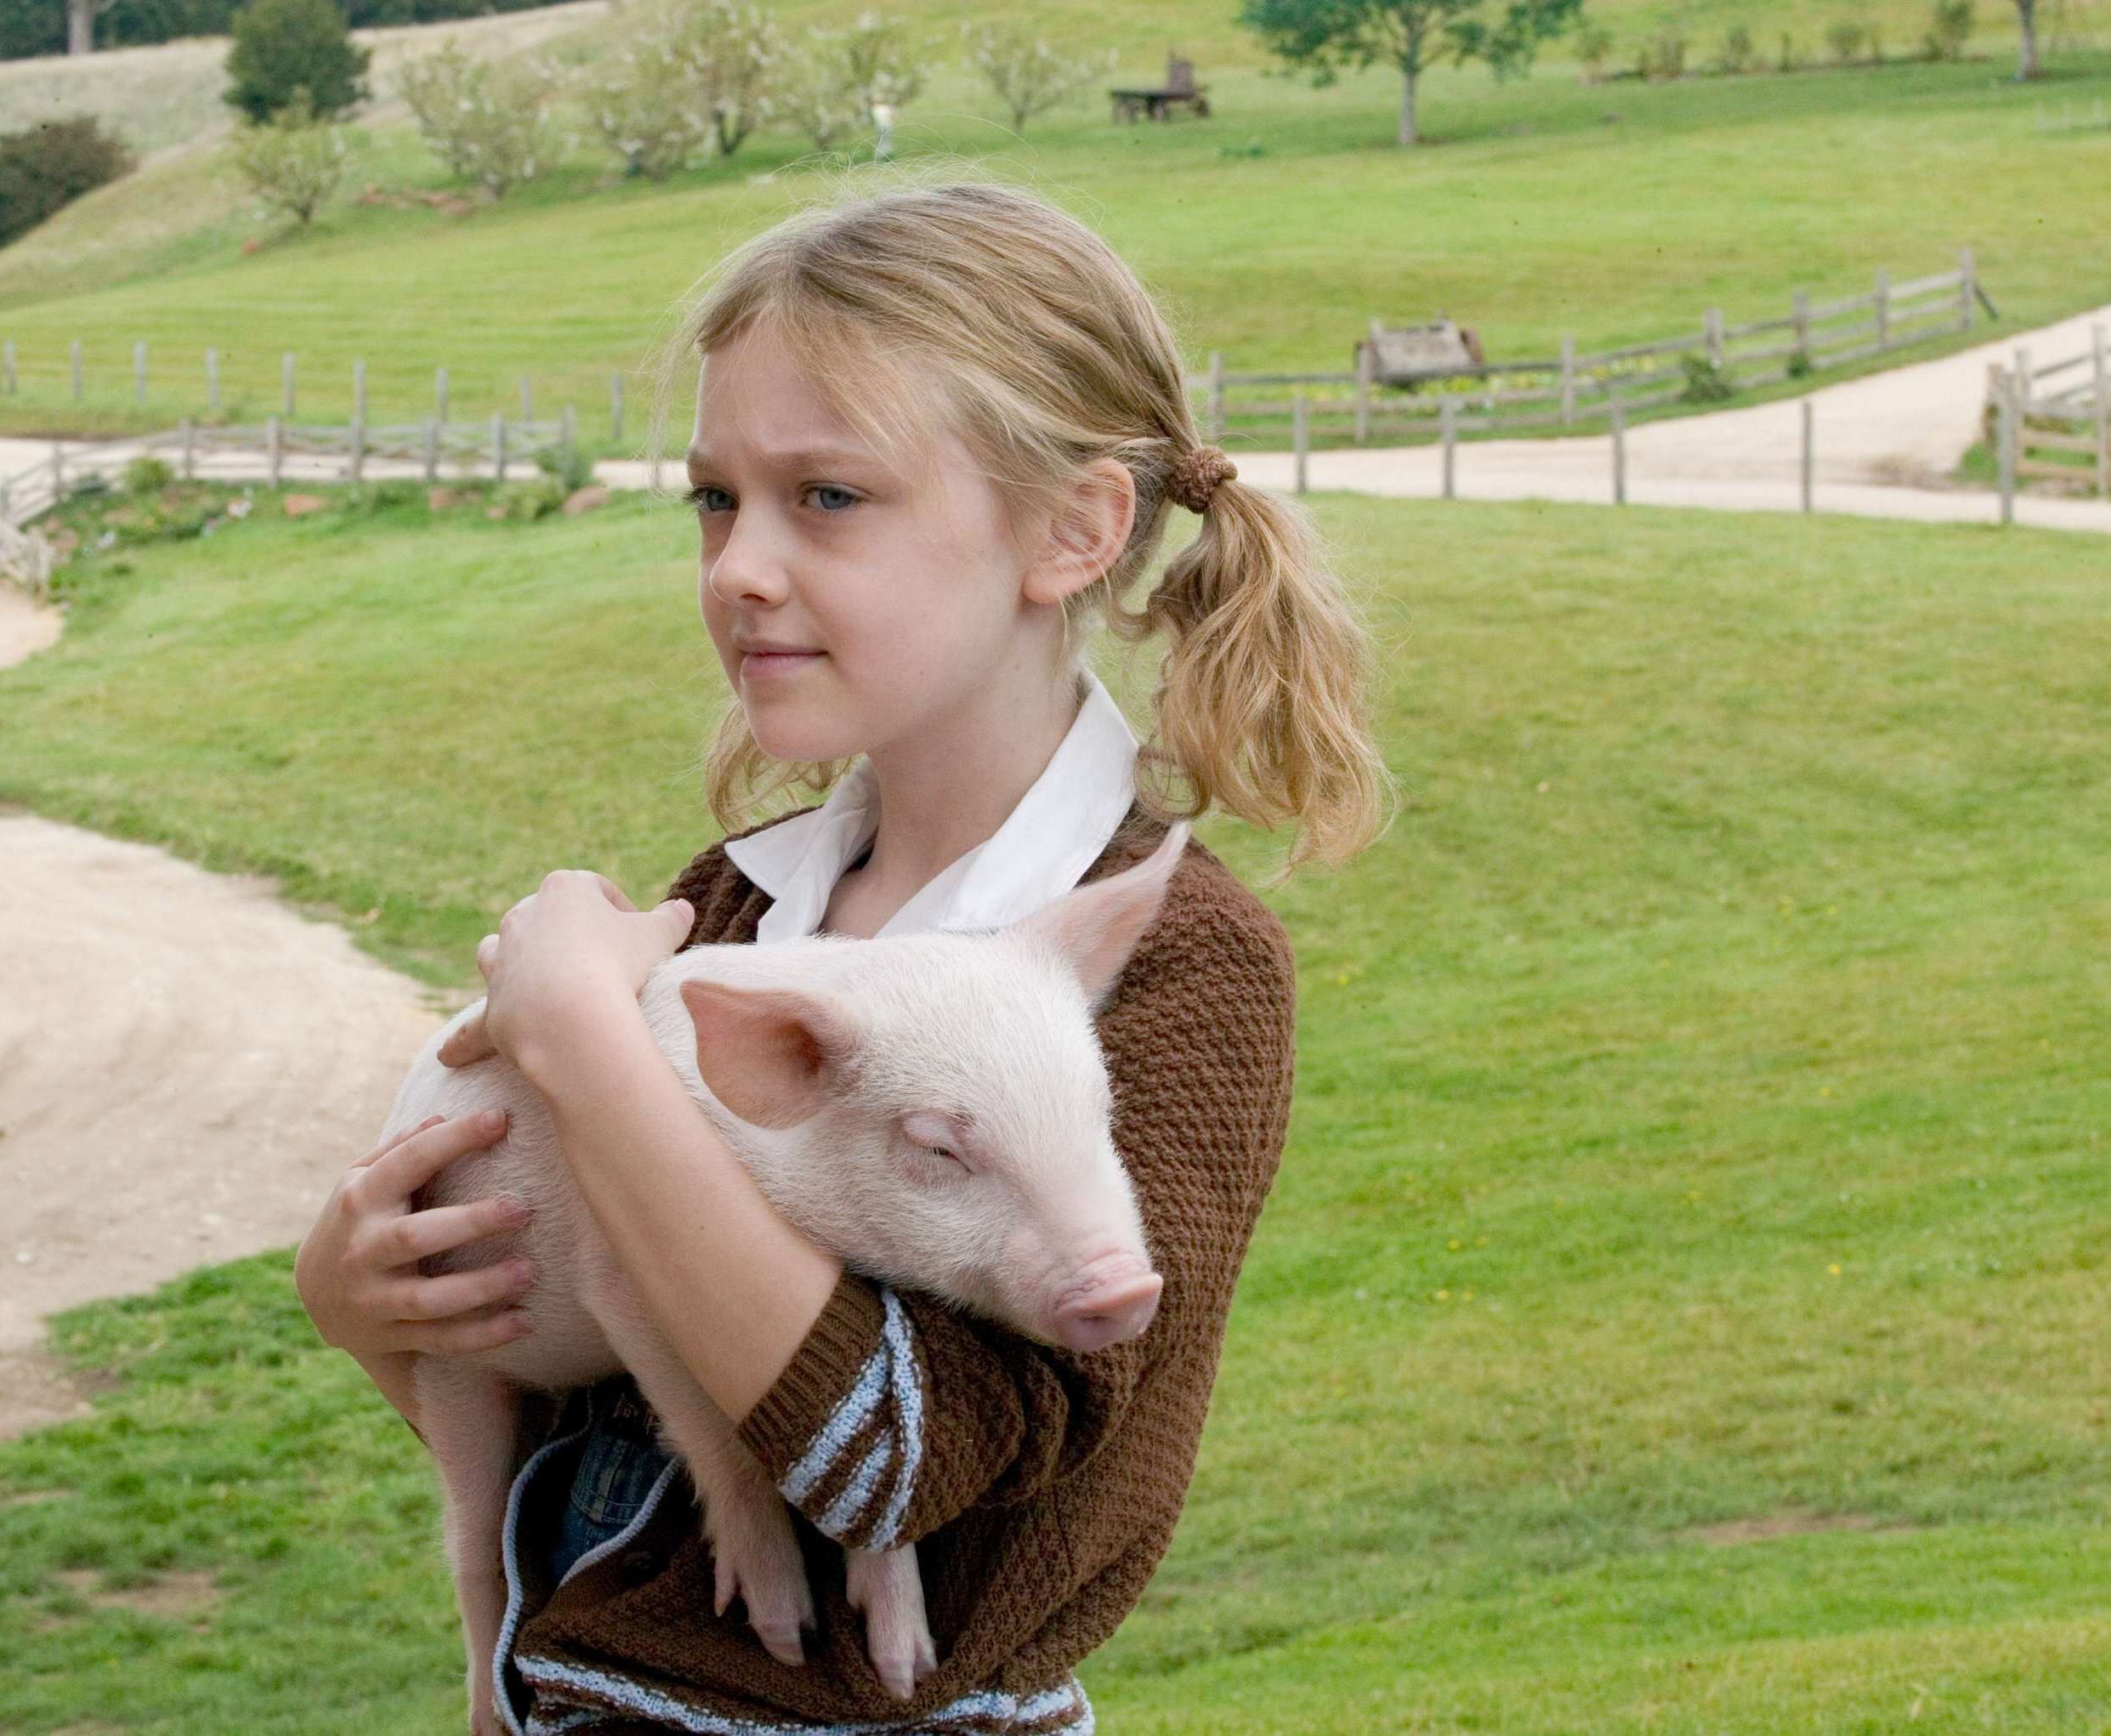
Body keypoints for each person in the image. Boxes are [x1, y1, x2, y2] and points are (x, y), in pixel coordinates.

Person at [295, 173, 1387, 1734]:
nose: (741, 566)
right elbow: (605, 1434)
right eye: (714, 500)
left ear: (1072, 529)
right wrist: (362, 1307)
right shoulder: (739, 908)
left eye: (828, 498)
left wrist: (586, 1047)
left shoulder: (1180, 968)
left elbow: (900, 1459)